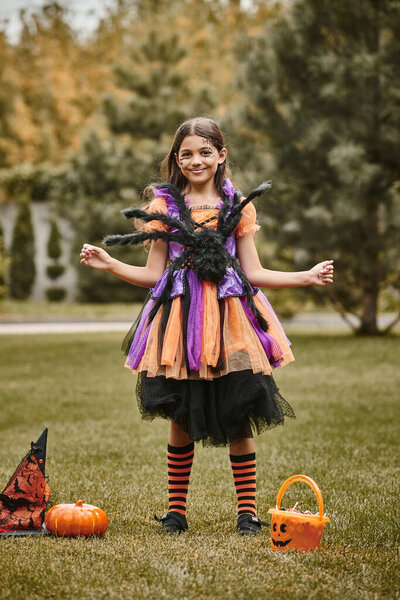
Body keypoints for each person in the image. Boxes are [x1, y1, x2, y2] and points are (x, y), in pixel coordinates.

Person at [80, 117, 334, 536]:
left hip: (231, 317)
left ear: (221, 155)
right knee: (181, 410)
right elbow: (152, 275)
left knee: (239, 409)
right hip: (179, 320)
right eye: (186, 154)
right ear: (176, 160)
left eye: (204, 152)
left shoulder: (238, 206)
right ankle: (176, 512)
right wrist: (110, 264)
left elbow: (252, 270)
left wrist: (304, 276)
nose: (195, 160)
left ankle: (247, 513)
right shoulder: (164, 207)